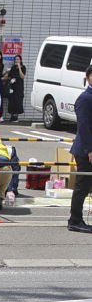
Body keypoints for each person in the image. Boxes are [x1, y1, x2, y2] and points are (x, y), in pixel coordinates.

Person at [67, 64, 92, 234]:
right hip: (85, 150)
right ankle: (75, 220)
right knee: (82, 186)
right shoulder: (85, 98)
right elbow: (84, 127)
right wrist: (90, 150)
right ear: (88, 77)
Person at [5, 57, 26, 122]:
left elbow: (22, 76)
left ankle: (16, 117)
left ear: (21, 60)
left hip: (19, 87)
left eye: (18, 59)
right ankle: (12, 117)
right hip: (12, 86)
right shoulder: (13, 68)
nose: (16, 61)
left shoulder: (23, 67)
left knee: (18, 101)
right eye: (15, 60)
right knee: (12, 101)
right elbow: (8, 76)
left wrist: (19, 67)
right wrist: (8, 75)